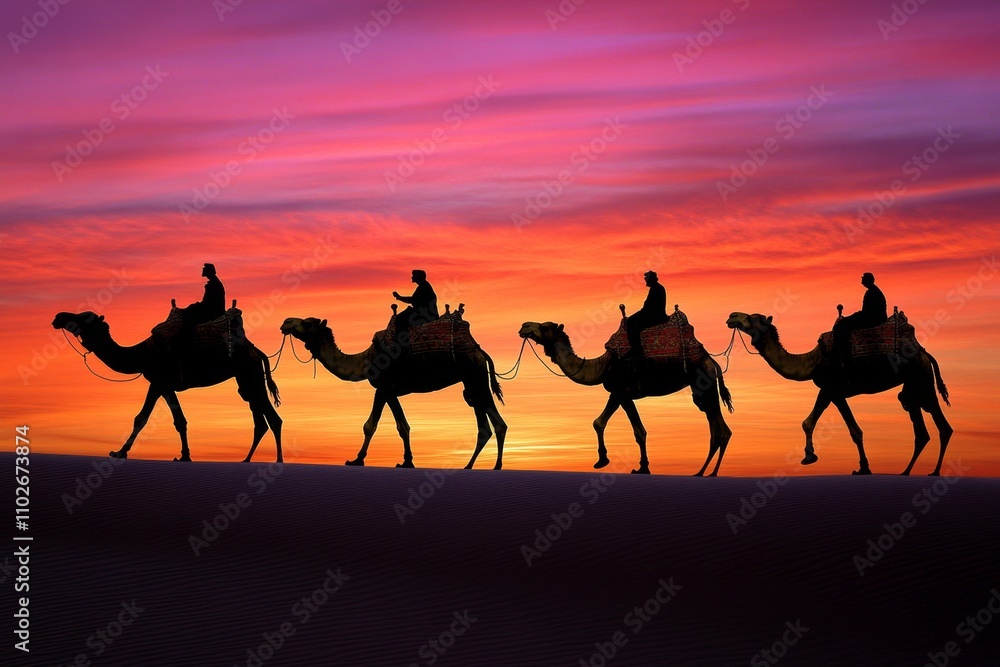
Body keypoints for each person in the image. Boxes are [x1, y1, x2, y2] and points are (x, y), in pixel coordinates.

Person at [833, 272, 887, 365]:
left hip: (872, 320)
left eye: (863, 278)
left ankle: (843, 354)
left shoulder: (871, 292)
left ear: (867, 280)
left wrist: (853, 316)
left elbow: (867, 312)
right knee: (846, 322)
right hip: (872, 318)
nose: (861, 280)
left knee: (841, 326)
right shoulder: (873, 291)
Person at [625, 271, 669, 357]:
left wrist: (639, 314)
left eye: (646, 279)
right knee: (631, 320)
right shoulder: (656, 288)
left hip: (654, 316)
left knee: (631, 322)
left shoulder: (656, 289)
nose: (645, 280)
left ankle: (636, 349)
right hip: (651, 314)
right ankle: (636, 348)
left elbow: (649, 307)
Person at [392, 269, 439, 343]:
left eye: (413, 276)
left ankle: (401, 343)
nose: (412, 277)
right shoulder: (423, 286)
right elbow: (414, 300)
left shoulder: (424, 287)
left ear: (418, 277)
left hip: (425, 315)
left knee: (400, 318)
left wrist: (400, 297)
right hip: (422, 313)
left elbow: (413, 300)